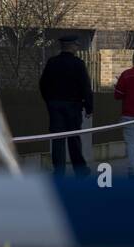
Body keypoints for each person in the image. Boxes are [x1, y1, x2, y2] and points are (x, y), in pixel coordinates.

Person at [38, 35, 93, 176]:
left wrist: (49, 101)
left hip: (55, 105)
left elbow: (43, 84)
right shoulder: (78, 64)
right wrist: (89, 107)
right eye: (76, 45)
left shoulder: (52, 62)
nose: (77, 47)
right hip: (73, 106)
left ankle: (59, 171)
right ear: (72, 46)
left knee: (58, 138)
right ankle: (80, 170)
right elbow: (85, 86)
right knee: (74, 137)